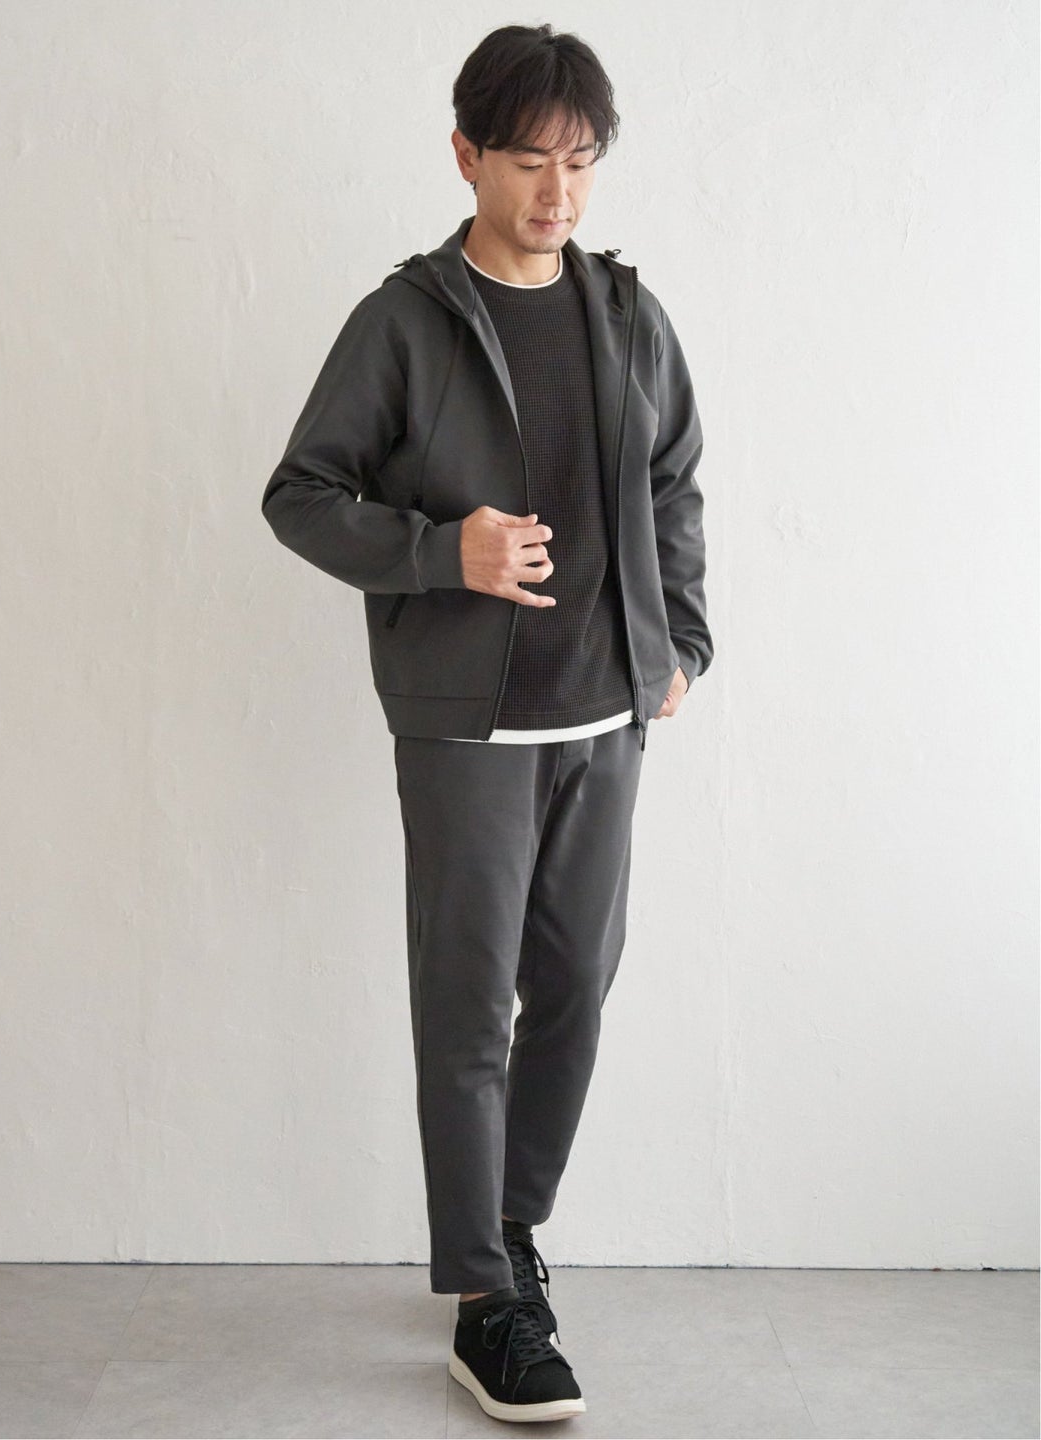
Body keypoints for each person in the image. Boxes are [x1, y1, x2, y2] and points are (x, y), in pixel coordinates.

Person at [261, 21, 713, 1424]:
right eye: (528, 160)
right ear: (465, 155)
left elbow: (675, 480)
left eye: (580, 161)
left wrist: (681, 641)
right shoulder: (405, 321)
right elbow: (301, 495)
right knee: (467, 1009)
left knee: (574, 988)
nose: (557, 192)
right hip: (467, 729)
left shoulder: (627, 312)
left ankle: (510, 1239)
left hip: (605, 715)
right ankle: (482, 1305)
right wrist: (438, 553)